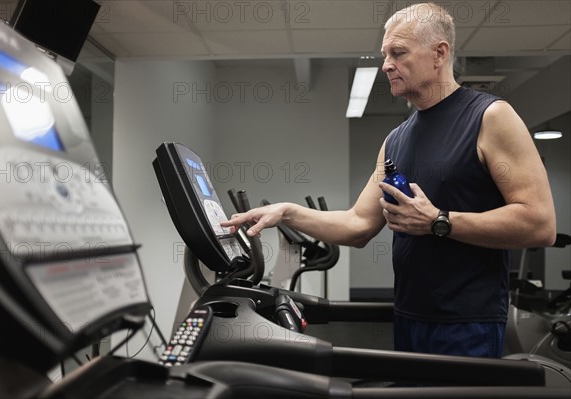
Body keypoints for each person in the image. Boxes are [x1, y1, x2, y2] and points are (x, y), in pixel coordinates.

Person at [220, 2, 556, 358]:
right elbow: (358, 224)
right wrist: (287, 213)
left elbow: (540, 224)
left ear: (439, 53)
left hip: (467, 321)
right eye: (385, 54)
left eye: (398, 53)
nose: (386, 65)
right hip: (409, 315)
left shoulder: (490, 117)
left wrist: (439, 221)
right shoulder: (396, 139)